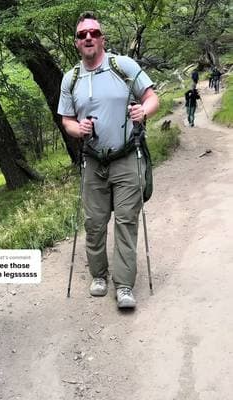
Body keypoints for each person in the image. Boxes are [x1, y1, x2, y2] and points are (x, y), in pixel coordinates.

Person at [58, 11, 159, 309]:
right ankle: (98, 275)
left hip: (128, 156)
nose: (88, 37)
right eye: (82, 35)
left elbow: (152, 97)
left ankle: (125, 285)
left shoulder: (122, 65)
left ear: (102, 38)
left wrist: (144, 111)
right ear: (76, 43)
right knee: (94, 223)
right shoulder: (71, 78)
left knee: (127, 221)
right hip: (93, 160)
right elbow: (66, 120)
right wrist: (79, 129)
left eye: (94, 32)